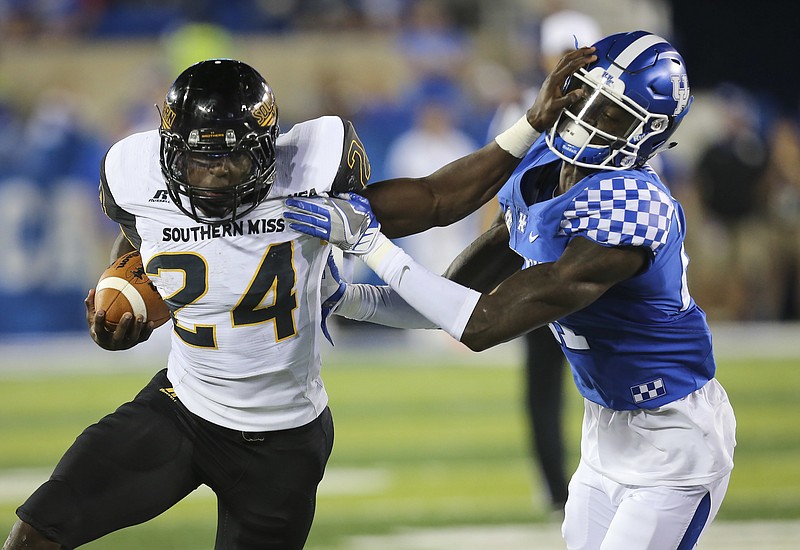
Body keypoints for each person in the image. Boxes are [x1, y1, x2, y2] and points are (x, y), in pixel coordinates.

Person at [285, 31, 737, 548]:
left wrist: (370, 243)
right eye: (586, 95)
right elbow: (451, 295)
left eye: (609, 113)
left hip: (672, 434)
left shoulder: (633, 208)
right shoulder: (544, 164)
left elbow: (482, 324)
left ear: (648, 132)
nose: (586, 115)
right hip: (605, 427)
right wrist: (350, 300)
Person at [2, 59, 371, 550]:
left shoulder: (312, 162)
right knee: (39, 528)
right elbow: (138, 243)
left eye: (231, 158)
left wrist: (509, 144)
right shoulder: (137, 175)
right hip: (184, 406)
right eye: (198, 159)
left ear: (264, 148)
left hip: (282, 438)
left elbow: (422, 204)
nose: (213, 176)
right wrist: (128, 293)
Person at [485, 7, 602, 513]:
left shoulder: (616, 109)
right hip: (538, 257)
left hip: (592, 258)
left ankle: (597, 483)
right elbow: (496, 189)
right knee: (544, 379)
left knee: (606, 371)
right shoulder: (525, 109)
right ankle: (559, 489)